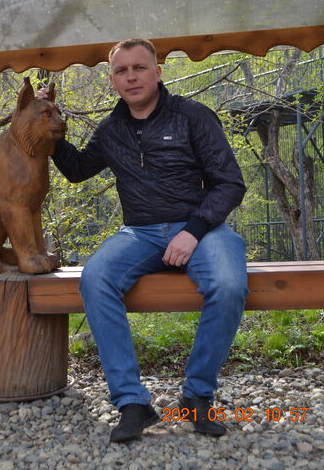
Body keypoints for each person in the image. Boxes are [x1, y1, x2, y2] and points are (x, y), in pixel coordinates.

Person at [42, 38, 248, 442]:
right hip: (140, 233)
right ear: (113, 80)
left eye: (139, 68)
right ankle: (133, 403)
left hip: (202, 229)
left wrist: (192, 232)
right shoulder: (111, 130)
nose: (131, 77)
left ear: (157, 72)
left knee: (228, 285)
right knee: (95, 278)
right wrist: (49, 120)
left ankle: (197, 394)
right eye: (121, 71)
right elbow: (78, 169)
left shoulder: (193, 116)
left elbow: (229, 183)